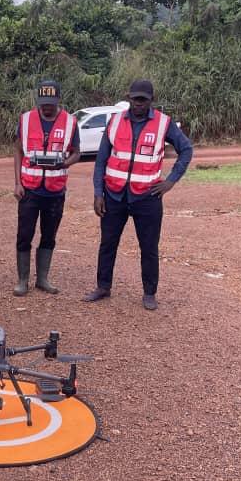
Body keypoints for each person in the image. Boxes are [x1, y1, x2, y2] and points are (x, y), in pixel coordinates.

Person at [84, 79, 194, 311]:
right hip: (114, 195)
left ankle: (149, 293)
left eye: (143, 100)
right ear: (129, 98)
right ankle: (103, 286)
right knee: (107, 244)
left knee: (149, 247)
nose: (138, 104)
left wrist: (170, 182)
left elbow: (186, 149)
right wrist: (97, 193)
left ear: (151, 101)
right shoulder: (115, 121)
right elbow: (101, 160)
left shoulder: (164, 124)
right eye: (135, 99)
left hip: (148, 197)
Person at [12, 80, 81, 296]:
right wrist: (17, 182)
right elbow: (17, 151)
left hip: (55, 190)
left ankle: (42, 278)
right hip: (30, 190)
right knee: (24, 235)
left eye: (50, 104)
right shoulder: (25, 119)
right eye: (43, 104)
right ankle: (23, 280)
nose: (46, 108)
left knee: (49, 235)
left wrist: (65, 163)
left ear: (58, 100)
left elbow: (77, 152)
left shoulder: (70, 122)